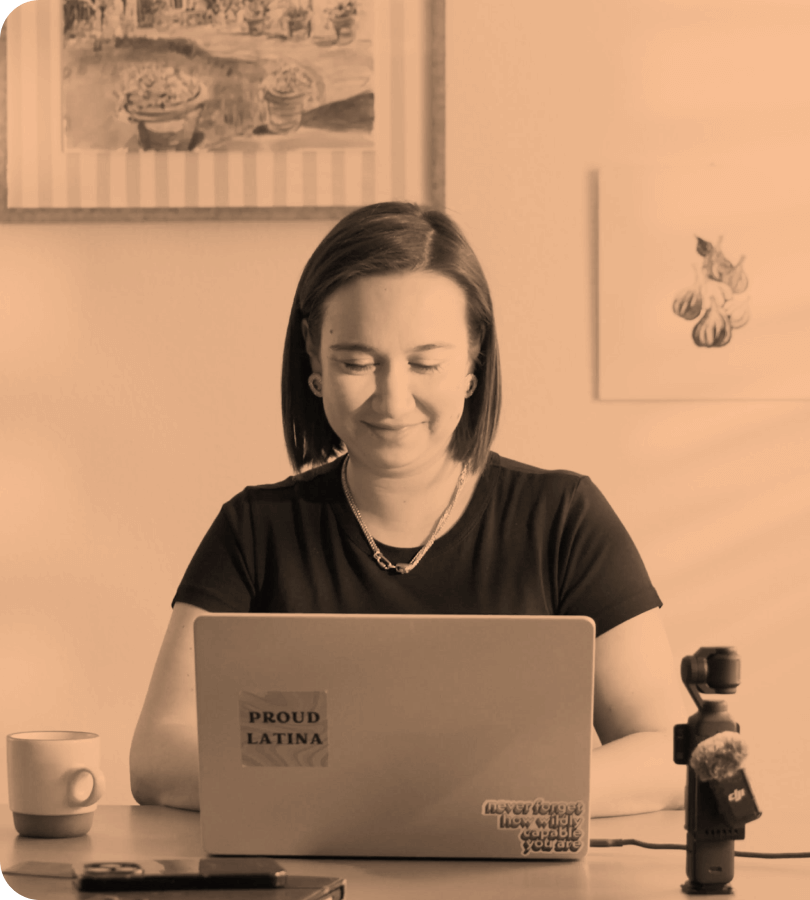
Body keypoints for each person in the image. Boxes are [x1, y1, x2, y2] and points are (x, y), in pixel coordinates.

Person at [130, 202, 687, 817]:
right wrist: (368, 791)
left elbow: (672, 755)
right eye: (356, 363)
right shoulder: (255, 530)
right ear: (313, 362)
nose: (392, 400)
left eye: (425, 363)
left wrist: (479, 795)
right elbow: (159, 757)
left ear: (473, 362)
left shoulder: (564, 519)